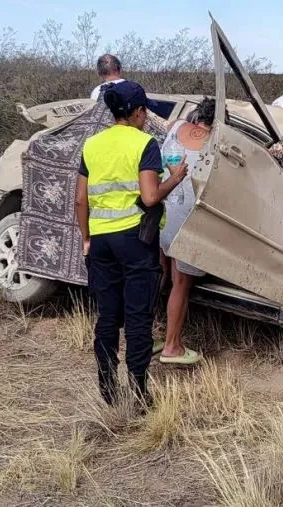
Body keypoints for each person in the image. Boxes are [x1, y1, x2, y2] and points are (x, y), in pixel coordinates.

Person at [74, 80, 188, 406]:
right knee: (138, 319)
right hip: (136, 240)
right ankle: (139, 392)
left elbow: (81, 200)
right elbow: (150, 196)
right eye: (144, 112)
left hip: (101, 242)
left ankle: (109, 389)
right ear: (138, 112)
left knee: (107, 318)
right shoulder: (144, 144)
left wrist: (86, 237)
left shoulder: (92, 145)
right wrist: (175, 179)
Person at [156, 98, 217, 365]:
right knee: (180, 285)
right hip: (188, 220)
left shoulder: (175, 128)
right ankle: (172, 346)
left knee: (158, 277)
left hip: (163, 213)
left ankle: (145, 337)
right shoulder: (213, 145)